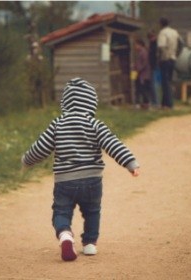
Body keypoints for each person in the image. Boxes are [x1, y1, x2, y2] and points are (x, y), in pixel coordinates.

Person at [21, 77, 140, 262]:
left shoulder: (57, 124)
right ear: (92, 102)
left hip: (64, 182)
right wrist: (130, 163)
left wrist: (27, 160)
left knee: (61, 212)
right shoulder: (95, 124)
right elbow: (112, 144)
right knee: (92, 211)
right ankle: (90, 244)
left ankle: (65, 235)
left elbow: (41, 147)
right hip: (92, 180)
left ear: (65, 102)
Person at [157, 17, 182, 109]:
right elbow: (181, 44)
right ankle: (164, 103)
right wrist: (177, 54)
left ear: (161, 24)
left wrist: (161, 58)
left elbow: (161, 47)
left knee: (165, 82)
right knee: (169, 81)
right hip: (173, 58)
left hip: (165, 59)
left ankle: (169, 104)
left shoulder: (162, 33)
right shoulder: (174, 32)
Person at [134, 39, 151, 109]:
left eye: (136, 45)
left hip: (143, 75)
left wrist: (138, 69)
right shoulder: (140, 52)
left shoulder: (143, 52)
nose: (135, 47)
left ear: (140, 45)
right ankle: (143, 103)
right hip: (141, 74)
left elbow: (144, 63)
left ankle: (146, 103)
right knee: (140, 88)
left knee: (143, 89)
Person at [147, 31, 159, 108]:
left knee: (152, 84)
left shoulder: (155, 45)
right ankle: (154, 101)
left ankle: (155, 102)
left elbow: (154, 56)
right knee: (152, 84)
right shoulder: (152, 44)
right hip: (152, 65)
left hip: (153, 66)